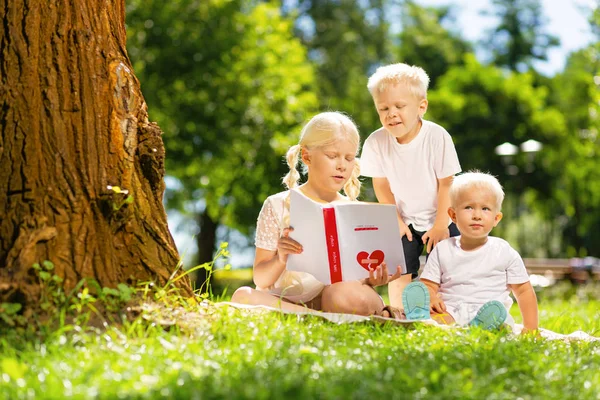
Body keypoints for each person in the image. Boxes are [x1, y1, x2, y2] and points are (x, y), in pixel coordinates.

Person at [231, 111, 428, 318]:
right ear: (307, 156)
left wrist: (374, 279)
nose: (342, 165)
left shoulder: (357, 212)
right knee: (242, 295)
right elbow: (261, 280)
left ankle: (321, 317)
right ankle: (322, 318)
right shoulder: (277, 205)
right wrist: (281, 258)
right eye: (332, 156)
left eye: (349, 158)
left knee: (341, 294)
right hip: (286, 301)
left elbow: (359, 279)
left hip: (339, 297)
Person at [359, 62, 462, 310]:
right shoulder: (376, 142)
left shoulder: (437, 137)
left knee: (454, 267)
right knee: (399, 266)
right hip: (404, 219)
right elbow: (381, 186)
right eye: (383, 108)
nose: (391, 113)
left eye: (399, 106)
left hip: (442, 216)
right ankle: (401, 313)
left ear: (421, 106)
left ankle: (454, 312)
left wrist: (440, 224)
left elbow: (446, 183)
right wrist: (395, 220)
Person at [419, 171, 539, 332]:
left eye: (485, 209)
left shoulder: (504, 251)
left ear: (496, 218)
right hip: (451, 312)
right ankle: (424, 318)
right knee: (436, 321)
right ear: (453, 215)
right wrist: (431, 298)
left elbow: (524, 291)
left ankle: (480, 327)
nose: (477, 215)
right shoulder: (442, 250)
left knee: (499, 321)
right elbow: (428, 284)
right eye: (468, 207)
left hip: (491, 313)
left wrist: (531, 328)